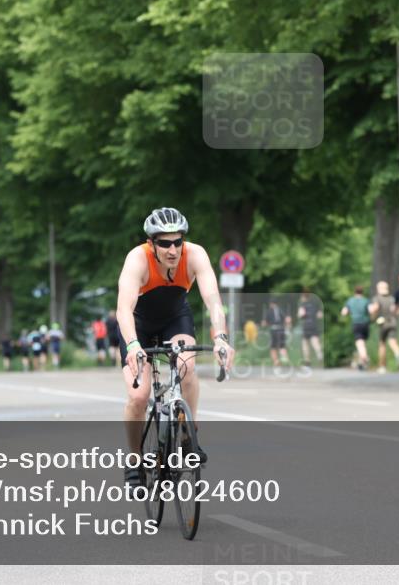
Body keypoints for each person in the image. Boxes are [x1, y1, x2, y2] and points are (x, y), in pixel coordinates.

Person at [116, 208, 235, 486]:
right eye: (164, 243)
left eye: (177, 242)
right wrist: (133, 345)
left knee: (186, 366)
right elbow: (124, 308)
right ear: (151, 244)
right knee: (139, 397)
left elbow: (213, 301)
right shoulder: (137, 259)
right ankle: (134, 459)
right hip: (138, 325)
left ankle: (187, 436)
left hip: (175, 319)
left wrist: (221, 337)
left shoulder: (196, 255)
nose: (172, 249)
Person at [369, 281, 399, 373]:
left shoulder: (377, 298)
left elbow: (375, 308)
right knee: (393, 342)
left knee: (382, 344)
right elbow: (398, 310)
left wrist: (372, 317)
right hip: (393, 322)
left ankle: (382, 366)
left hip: (383, 323)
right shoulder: (392, 298)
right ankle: (398, 357)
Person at [263, 298, 291, 372]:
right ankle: (285, 359)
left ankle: (277, 364)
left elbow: (265, 323)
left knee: (273, 348)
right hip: (281, 330)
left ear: (271, 304)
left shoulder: (269, 311)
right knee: (282, 346)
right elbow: (287, 320)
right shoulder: (281, 310)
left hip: (273, 330)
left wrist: (263, 324)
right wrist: (287, 328)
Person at [297, 291, 324, 366]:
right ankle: (319, 354)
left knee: (305, 344)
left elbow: (301, 314)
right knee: (315, 342)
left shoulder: (303, 305)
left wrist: (301, 315)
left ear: (303, 296)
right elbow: (320, 315)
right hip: (314, 326)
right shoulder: (315, 304)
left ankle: (307, 361)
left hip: (306, 326)